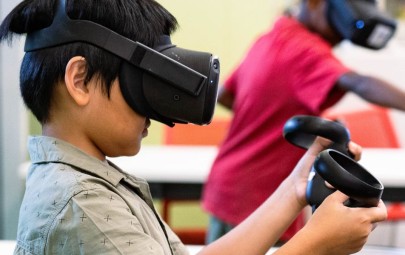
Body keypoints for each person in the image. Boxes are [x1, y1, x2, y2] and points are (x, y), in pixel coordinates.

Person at [0, 0, 387, 254]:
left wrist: (293, 189)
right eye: (141, 86)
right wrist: (315, 244)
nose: (155, 109)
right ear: (80, 81)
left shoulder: (90, 185)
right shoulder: (80, 207)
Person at [202, 0, 405, 244]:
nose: (339, 39)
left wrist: (273, 120)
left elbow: (224, 94)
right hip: (258, 196)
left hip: (231, 183)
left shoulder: (272, 38)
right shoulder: (306, 49)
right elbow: (358, 82)